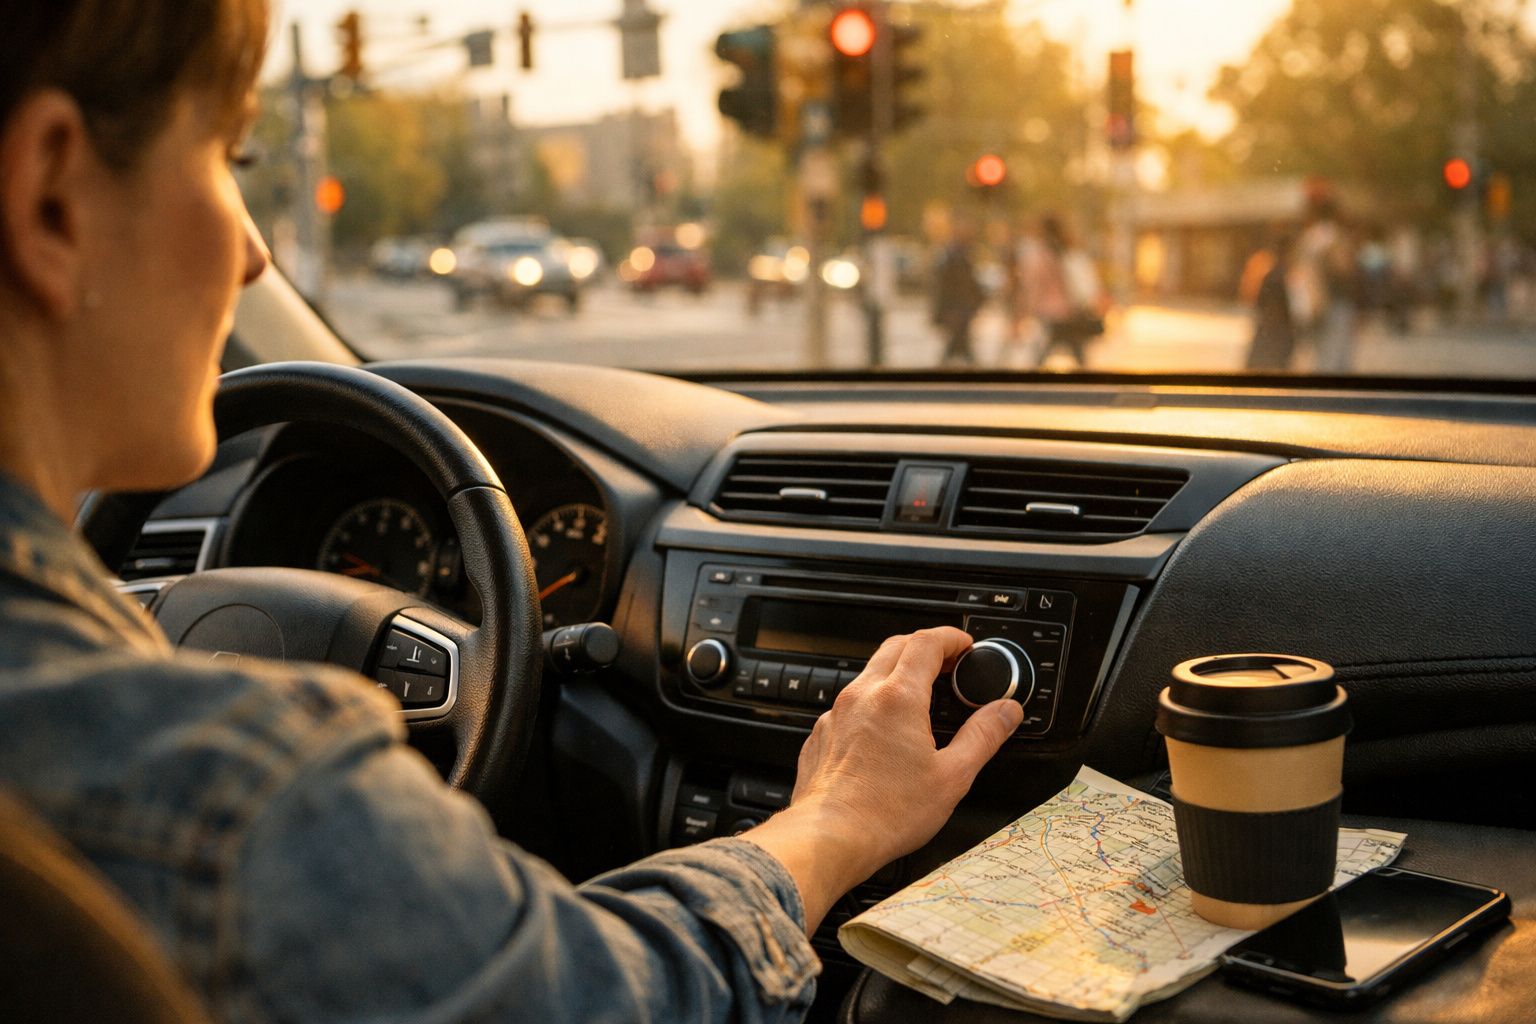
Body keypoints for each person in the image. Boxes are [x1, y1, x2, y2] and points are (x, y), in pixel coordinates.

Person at [0, 3, 1024, 1022]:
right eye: (229, 157)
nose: (257, 253)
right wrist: (837, 819)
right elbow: (613, 995)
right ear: (53, 201)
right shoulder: (247, 799)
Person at [1017, 215, 1104, 369]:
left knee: (1039, 358)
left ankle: (1031, 388)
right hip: (1070, 312)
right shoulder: (1068, 251)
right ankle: (1089, 386)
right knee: (1077, 356)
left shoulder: (1041, 254)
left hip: (1050, 314)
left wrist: (1024, 312)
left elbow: (1034, 286)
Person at [931, 221, 986, 366]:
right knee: (960, 346)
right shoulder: (954, 256)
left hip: (961, 309)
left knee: (958, 346)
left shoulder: (957, 254)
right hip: (959, 309)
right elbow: (949, 287)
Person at [1246, 235, 1297, 372]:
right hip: (1281, 328)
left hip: (1269, 326)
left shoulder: (1271, 274)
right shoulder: (1289, 276)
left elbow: (1259, 302)